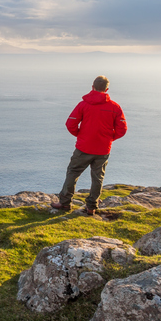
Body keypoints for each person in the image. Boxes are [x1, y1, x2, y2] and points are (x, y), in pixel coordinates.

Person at [51, 75, 127, 216]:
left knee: (73, 173)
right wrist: (108, 138)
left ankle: (65, 203)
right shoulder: (115, 107)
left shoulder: (83, 105)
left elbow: (70, 124)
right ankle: (92, 207)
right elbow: (122, 129)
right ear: (106, 89)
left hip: (83, 147)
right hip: (103, 149)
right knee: (98, 178)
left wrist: (81, 135)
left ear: (92, 87)